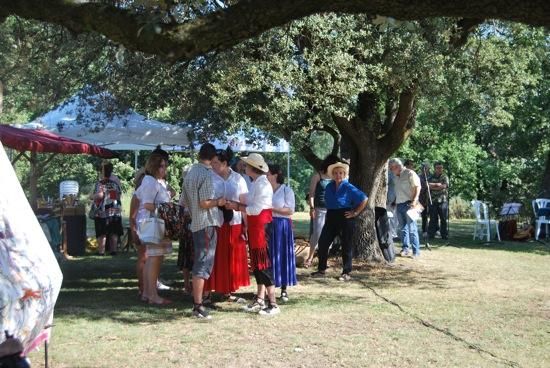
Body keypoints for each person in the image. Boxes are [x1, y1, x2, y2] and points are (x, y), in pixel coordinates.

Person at [226, 153, 279, 315]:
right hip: (256, 229)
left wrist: (236, 206)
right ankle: (260, 299)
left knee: (264, 265)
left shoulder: (262, 185)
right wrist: (237, 203)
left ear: (253, 168)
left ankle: (273, 304)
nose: (244, 167)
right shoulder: (257, 183)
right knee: (257, 265)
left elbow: (256, 209)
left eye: (247, 165)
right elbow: (250, 201)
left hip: (261, 229)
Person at [181, 143, 223, 319]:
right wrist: (219, 202)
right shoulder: (206, 174)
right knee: (203, 262)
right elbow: (204, 202)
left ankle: (197, 303)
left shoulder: (190, 172)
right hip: (206, 223)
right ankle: (197, 305)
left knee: (200, 261)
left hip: (196, 223)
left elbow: (184, 201)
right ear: (213, 158)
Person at [204, 148, 250, 302]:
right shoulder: (208, 177)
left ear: (225, 163)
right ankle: (206, 292)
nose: (213, 165)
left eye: (216, 162)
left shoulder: (239, 179)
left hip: (233, 222)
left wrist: (246, 224)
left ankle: (227, 290)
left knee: (230, 256)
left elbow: (244, 203)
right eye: (212, 162)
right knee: (212, 256)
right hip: (213, 221)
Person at [311, 161, 368, 281]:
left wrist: (355, 212)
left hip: (345, 217)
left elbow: (364, 199)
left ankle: (346, 272)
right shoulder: (329, 186)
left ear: (344, 174)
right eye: (336, 173)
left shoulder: (348, 186)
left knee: (346, 245)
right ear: (332, 174)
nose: (338, 175)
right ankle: (321, 269)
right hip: (331, 216)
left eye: (341, 173)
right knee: (323, 242)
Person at [135, 153, 173, 305]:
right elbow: (147, 204)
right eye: (161, 166)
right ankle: (153, 295)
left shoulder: (151, 181)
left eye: (165, 166)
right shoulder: (150, 182)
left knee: (153, 257)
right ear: (154, 167)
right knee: (154, 258)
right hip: (153, 223)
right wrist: (166, 208)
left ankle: (147, 292)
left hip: (152, 222)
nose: (164, 169)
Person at [267, 163, 297, 302]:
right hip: (267, 224)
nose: (265, 176)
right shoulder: (265, 190)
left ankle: (284, 289)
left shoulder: (286, 190)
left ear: (275, 175)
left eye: (267, 173)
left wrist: (272, 209)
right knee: (269, 256)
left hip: (282, 225)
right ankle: (269, 287)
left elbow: (290, 210)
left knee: (283, 254)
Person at [305, 154, 340, 268]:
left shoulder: (337, 177)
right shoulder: (318, 175)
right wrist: (311, 207)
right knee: (317, 233)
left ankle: (323, 258)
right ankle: (310, 257)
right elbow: (312, 193)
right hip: (319, 208)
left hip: (332, 210)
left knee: (329, 235)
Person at [389, 158, 422, 258]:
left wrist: (415, 200)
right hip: (399, 204)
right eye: (390, 168)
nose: (391, 170)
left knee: (412, 228)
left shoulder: (409, 173)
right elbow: (397, 190)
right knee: (402, 229)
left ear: (397, 166)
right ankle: (405, 249)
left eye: (392, 168)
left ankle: (416, 252)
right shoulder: (395, 176)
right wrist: (394, 201)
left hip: (410, 204)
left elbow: (417, 187)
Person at [92, 162, 123, 256]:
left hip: (104, 210)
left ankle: (101, 251)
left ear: (103, 171)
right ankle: (113, 250)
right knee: (113, 231)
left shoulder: (101, 183)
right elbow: (117, 195)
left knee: (102, 232)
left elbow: (100, 196)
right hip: (115, 208)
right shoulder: (115, 181)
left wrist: (91, 196)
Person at [129, 168, 146, 298]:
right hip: (141, 228)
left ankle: (146, 286)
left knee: (147, 258)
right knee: (143, 257)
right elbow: (132, 217)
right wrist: (134, 232)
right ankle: (141, 286)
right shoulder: (137, 195)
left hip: (146, 227)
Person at [428, 162, 449, 240]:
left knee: (443, 219)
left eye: (441, 168)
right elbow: (428, 185)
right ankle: (431, 235)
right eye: (438, 168)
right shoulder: (431, 176)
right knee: (433, 218)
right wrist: (438, 184)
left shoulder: (445, 176)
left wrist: (434, 186)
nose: (440, 169)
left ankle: (444, 235)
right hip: (433, 200)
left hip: (443, 201)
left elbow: (444, 186)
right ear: (434, 168)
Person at [418, 162, 431, 238]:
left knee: (433, 215)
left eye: (426, 168)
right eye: (423, 168)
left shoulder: (431, 176)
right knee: (424, 215)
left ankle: (434, 230)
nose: (424, 169)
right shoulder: (419, 176)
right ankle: (424, 230)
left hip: (431, 198)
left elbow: (431, 186)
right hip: (422, 199)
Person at [387, 162, 398, 239]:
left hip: (394, 198)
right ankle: (389, 232)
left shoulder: (395, 175)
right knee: (389, 216)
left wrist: (395, 200)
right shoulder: (388, 173)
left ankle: (394, 233)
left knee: (394, 216)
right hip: (388, 197)